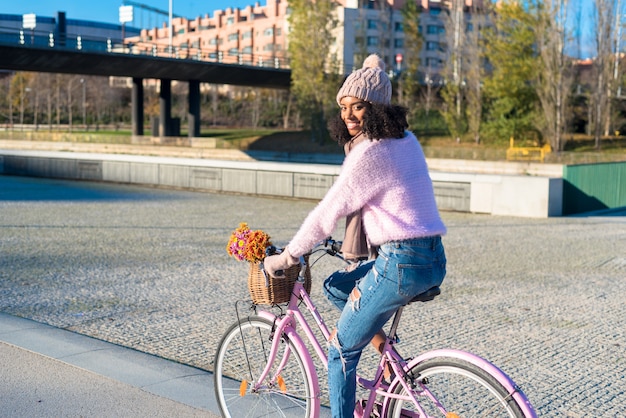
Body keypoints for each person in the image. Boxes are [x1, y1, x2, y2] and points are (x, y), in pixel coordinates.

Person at [263, 53, 447, 418]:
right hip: (432, 257)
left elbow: (327, 212)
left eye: (358, 106)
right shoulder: (406, 140)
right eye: (343, 106)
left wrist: (288, 256)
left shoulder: (369, 153)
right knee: (336, 287)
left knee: (340, 351)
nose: (348, 115)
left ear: (377, 109)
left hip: (399, 262)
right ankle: (388, 357)